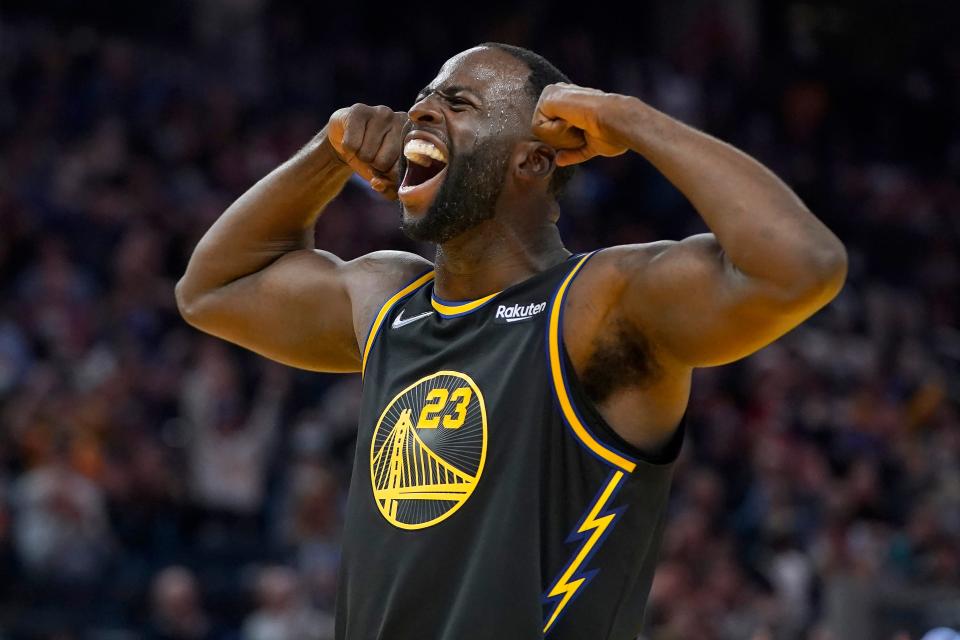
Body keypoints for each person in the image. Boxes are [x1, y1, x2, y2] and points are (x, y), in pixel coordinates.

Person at [176, 43, 846, 639]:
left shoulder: (599, 305)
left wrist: (631, 120)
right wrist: (329, 153)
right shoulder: (386, 301)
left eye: (458, 103)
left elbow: (800, 266)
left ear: (531, 160)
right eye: (423, 99)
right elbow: (209, 290)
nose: (422, 114)